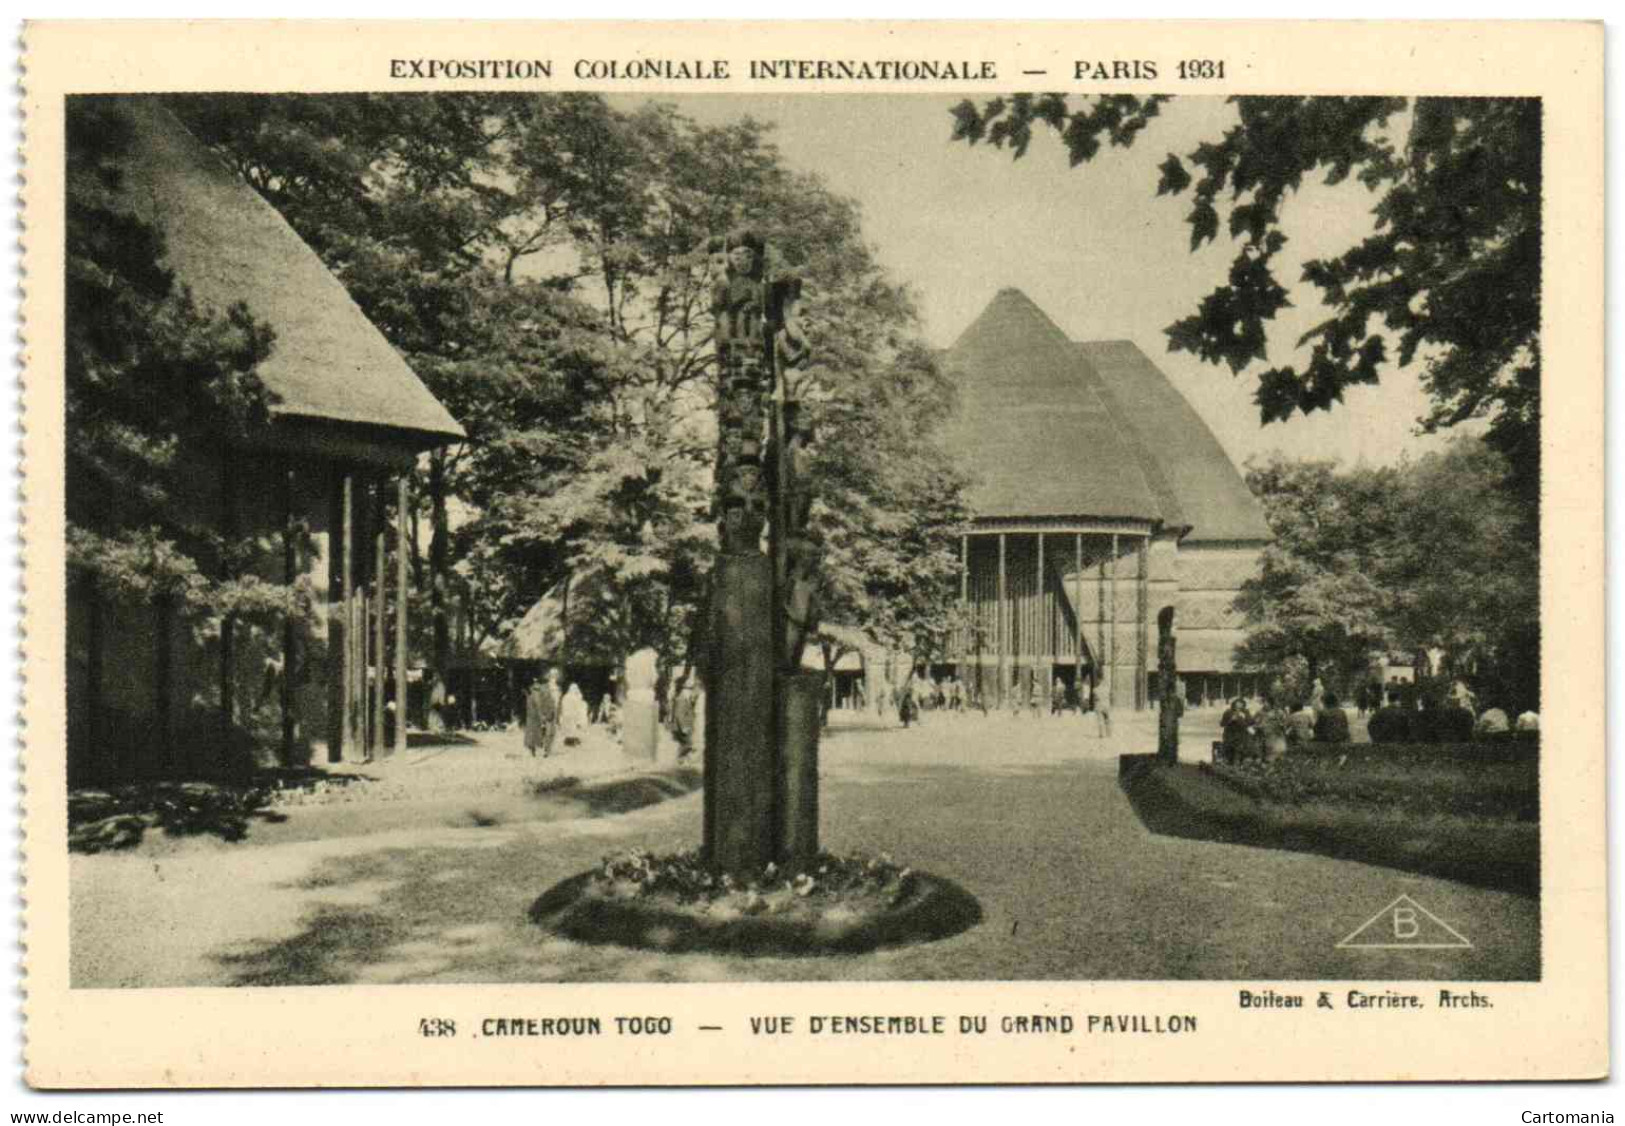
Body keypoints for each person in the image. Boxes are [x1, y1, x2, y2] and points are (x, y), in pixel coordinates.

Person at [524, 670, 560, 758]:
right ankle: (541, 751)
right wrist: (543, 714)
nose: (554, 678)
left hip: (549, 713)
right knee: (542, 733)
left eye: (555, 676)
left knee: (549, 733)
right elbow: (540, 703)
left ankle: (545, 750)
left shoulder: (554, 688)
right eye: (552, 676)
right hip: (543, 714)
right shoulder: (541, 689)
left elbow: (554, 702)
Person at [671, 682, 698, 758]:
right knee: (688, 744)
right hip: (682, 727)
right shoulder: (682, 699)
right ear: (684, 690)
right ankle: (680, 758)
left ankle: (682, 758)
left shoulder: (684, 699)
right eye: (690, 689)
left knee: (685, 745)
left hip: (683, 727)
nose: (692, 692)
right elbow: (679, 715)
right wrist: (684, 728)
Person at [560, 682, 589, 748]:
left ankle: (571, 740)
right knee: (571, 728)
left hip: (570, 715)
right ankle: (570, 741)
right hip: (570, 715)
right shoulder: (570, 697)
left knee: (572, 728)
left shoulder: (566, 697)